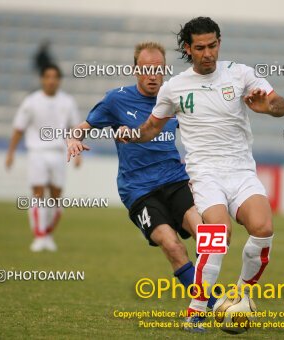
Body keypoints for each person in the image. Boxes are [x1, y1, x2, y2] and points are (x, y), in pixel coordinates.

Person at [116, 17, 284, 332]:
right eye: (200, 47)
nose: (208, 53)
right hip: (205, 173)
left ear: (219, 43)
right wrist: (132, 135)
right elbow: (151, 128)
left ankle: (239, 296)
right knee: (217, 234)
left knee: (263, 228)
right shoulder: (175, 88)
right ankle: (195, 311)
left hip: (241, 170)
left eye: (212, 45)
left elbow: (280, 104)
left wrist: (269, 108)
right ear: (188, 49)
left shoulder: (240, 73)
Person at [66, 42, 218, 310]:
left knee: (206, 233)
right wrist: (73, 141)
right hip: (139, 190)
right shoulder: (116, 99)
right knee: (172, 246)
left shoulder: (175, 97)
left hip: (175, 180)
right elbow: (81, 128)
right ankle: (213, 303)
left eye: (158, 69)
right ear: (135, 70)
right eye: (146, 69)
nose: (152, 75)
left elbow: (202, 133)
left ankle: (210, 300)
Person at [6, 64, 81, 252]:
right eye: (47, 76)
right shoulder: (31, 102)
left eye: (55, 77)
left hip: (59, 153)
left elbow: (75, 129)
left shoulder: (68, 102)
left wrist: (77, 153)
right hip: (37, 153)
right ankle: (39, 236)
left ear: (59, 80)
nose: (51, 80)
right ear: (42, 79)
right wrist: (11, 152)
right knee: (38, 193)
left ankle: (47, 234)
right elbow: (19, 128)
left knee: (56, 198)